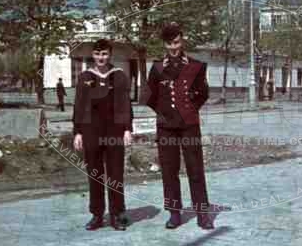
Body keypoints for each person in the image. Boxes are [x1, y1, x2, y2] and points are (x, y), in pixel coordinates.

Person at [146, 22, 214, 230]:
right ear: (164, 44)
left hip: (189, 125)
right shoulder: (157, 67)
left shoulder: (196, 66)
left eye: (176, 42)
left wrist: (189, 110)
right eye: (169, 44)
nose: (173, 48)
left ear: (182, 40)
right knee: (169, 170)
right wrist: (165, 112)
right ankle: (174, 213)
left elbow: (203, 93)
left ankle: (202, 213)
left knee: (195, 169)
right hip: (166, 126)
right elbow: (150, 96)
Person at [73, 39, 133, 231]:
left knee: (115, 174)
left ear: (110, 54)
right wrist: (78, 132)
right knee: (95, 174)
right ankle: (97, 215)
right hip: (91, 131)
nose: (101, 58)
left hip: (114, 131)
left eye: (105, 54)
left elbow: (125, 105)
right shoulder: (84, 77)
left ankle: (117, 214)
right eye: (98, 54)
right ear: (93, 55)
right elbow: (79, 106)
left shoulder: (119, 76)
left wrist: (127, 129)